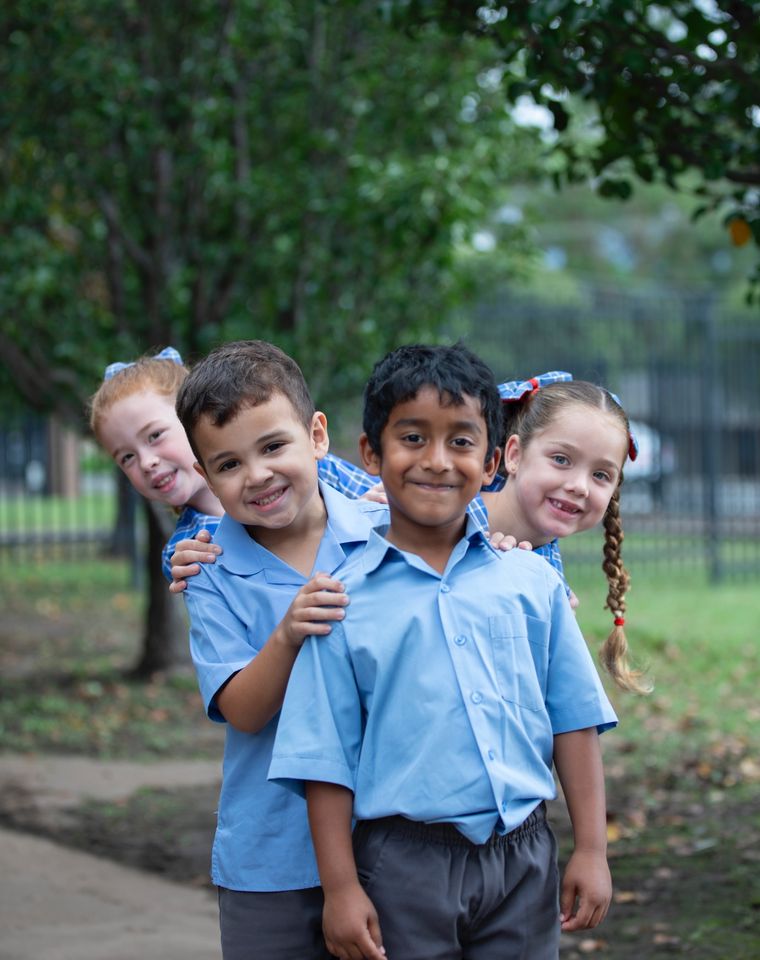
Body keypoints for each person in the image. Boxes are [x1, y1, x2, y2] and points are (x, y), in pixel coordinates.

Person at [269, 343, 618, 960]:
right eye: (412, 438)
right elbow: (325, 760)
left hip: (524, 859)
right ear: (371, 454)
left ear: (491, 462)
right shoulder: (339, 601)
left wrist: (591, 848)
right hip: (401, 866)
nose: (437, 461)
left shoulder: (531, 581)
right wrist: (341, 890)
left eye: (460, 442)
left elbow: (575, 722)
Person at [171, 338, 393, 959]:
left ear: (316, 435)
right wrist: (288, 632)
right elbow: (241, 710)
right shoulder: (209, 570)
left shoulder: (385, 535)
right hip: (270, 858)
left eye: (273, 446)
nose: (258, 475)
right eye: (228, 464)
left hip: (389, 844)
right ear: (205, 475)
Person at [88, 346, 385, 581]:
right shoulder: (191, 548)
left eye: (154, 435)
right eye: (127, 456)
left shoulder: (312, 466)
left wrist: (368, 509)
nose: (147, 462)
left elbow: (383, 500)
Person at [481, 371, 648, 693]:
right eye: (561, 459)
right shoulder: (431, 510)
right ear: (514, 455)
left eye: (601, 475)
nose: (578, 486)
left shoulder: (549, 587)